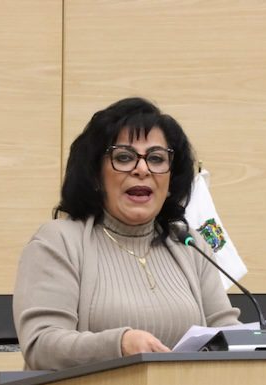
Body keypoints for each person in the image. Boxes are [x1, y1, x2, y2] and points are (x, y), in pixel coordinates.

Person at [13, 97, 241, 370]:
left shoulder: (189, 243)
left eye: (156, 159)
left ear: (170, 180)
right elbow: (41, 344)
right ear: (96, 175)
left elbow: (226, 332)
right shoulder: (59, 241)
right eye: (124, 157)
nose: (142, 169)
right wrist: (119, 345)